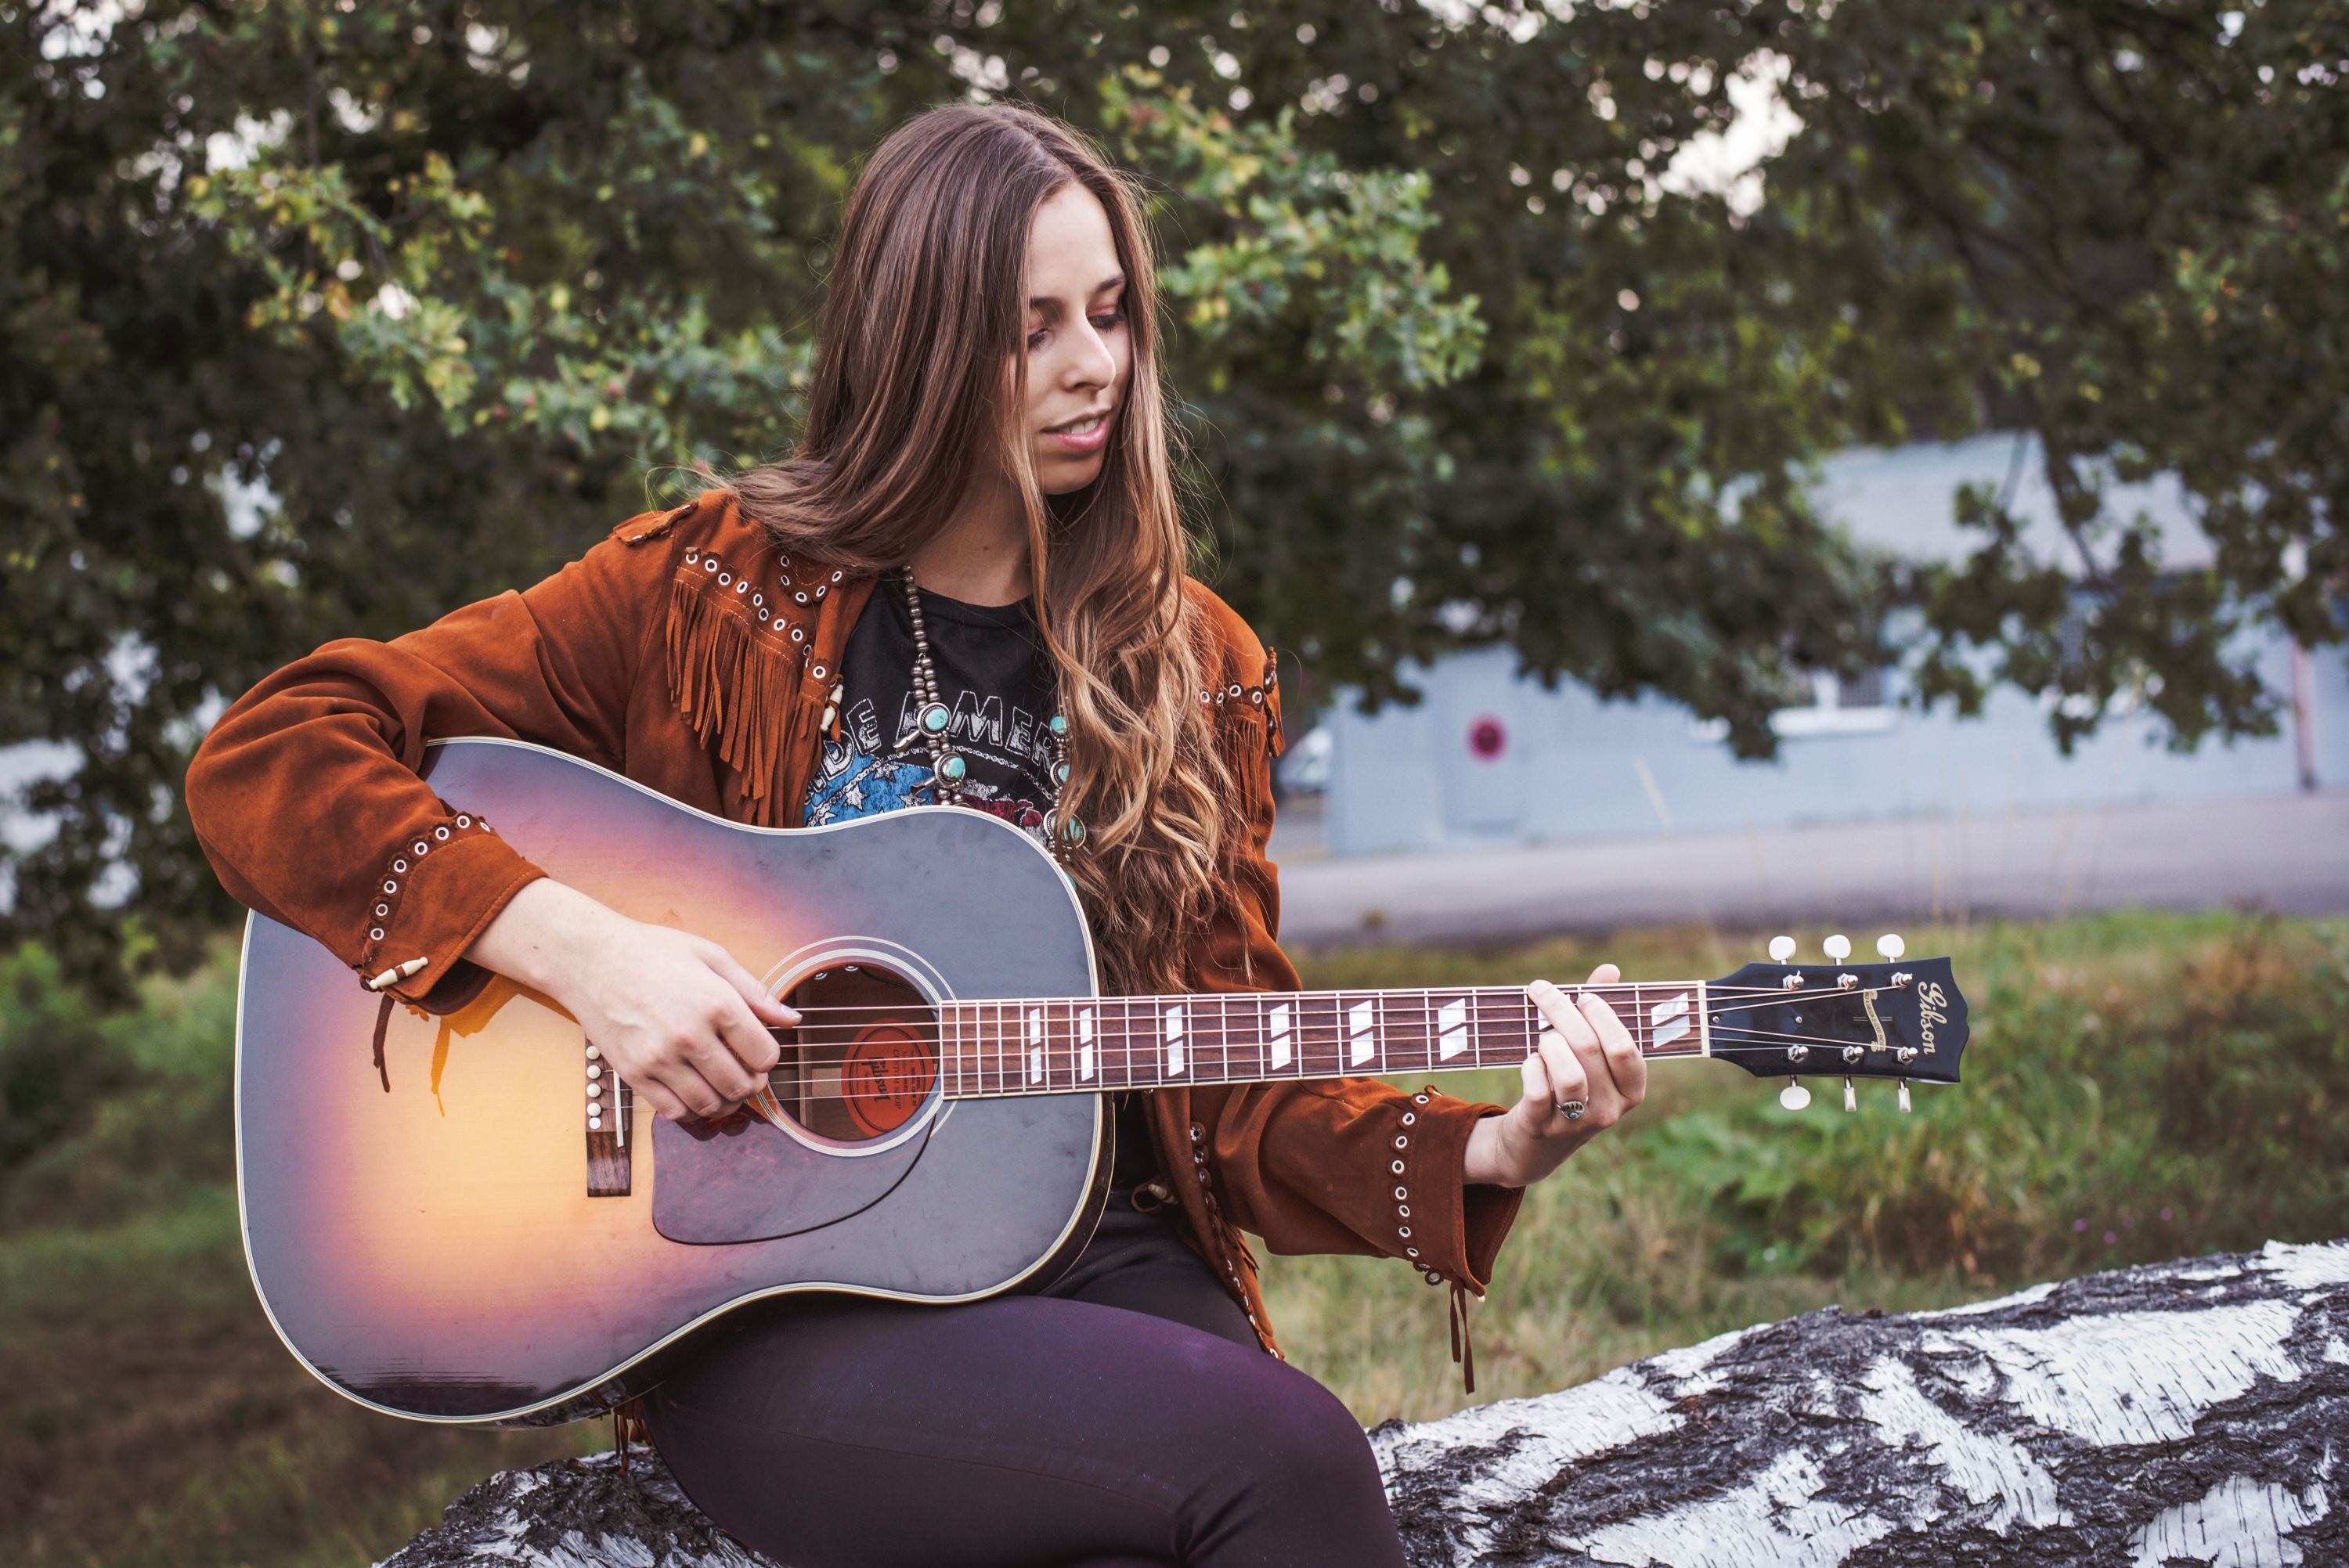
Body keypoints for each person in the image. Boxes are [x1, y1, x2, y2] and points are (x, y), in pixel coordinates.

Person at [186, 102, 1649, 1568]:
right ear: (921, 344)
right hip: (776, 1295)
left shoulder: (1189, 663)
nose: (1098, 367)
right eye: (1034, 330)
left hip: (1096, 1251)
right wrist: (589, 956)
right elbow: (271, 755)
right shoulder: (709, 595)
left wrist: (1499, 1146)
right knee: (1283, 1460)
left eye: (1112, 313)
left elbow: (1228, 1084)